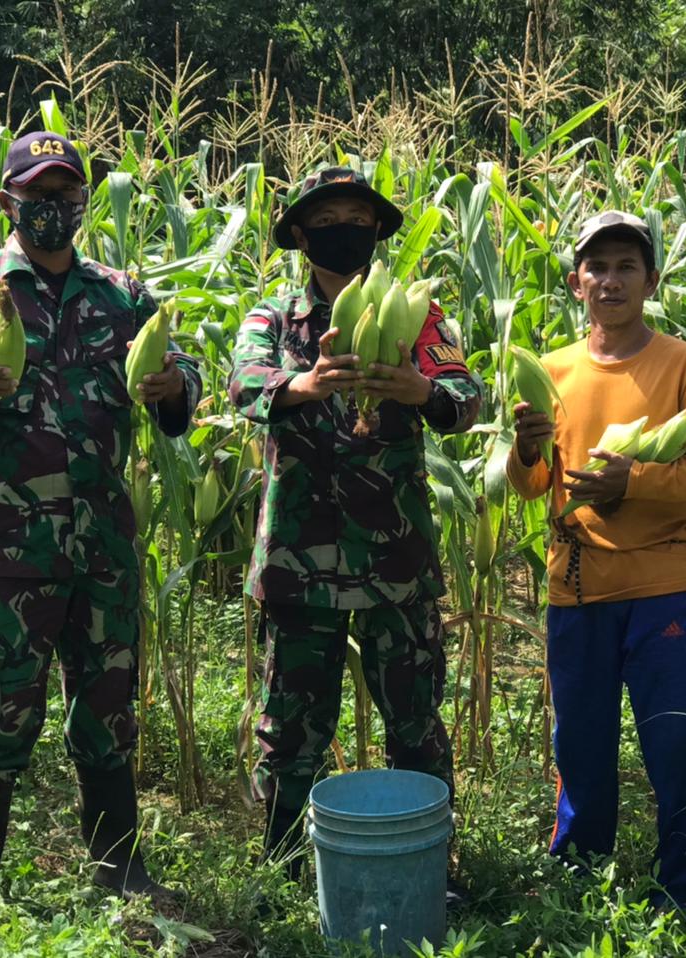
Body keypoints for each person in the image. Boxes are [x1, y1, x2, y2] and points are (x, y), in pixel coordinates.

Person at [0, 131, 201, 918]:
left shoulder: (123, 295)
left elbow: (181, 385)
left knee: (108, 713)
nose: (52, 208)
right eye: (37, 194)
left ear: (85, 201)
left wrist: (172, 386)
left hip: (104, 548)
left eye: (66, 194)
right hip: (9, 555)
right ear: (8, 202)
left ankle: (120, 875)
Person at [228, 167, 481, 892]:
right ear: (302, 235)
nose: (347, 229)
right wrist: (301, 384)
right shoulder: (273, 318)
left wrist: (422, 390)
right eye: (329, 218)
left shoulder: (419, 317)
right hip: (300, 558)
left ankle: (434, 861)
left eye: (358, 217)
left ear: (375, 231)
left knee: (416, 719)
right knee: (291, 724)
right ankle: (280, 869)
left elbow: (465, 396)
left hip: (394, 555)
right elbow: (244, 384)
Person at [507, 211, 686, 909]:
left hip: (664, 585)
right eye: (597, 267)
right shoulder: (550, 370)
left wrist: (631, 482)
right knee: (579, 745)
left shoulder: (683, 364)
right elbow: (533, 485)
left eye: (626, 267)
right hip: (576, 588)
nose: (610, 280)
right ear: (576, 281)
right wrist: (524, 452)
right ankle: (579, 880)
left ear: (652, 280)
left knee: (675, 747)